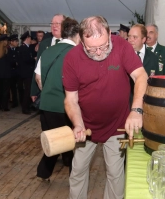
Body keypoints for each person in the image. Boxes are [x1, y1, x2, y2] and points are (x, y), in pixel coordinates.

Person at [63, 16, 148, 198]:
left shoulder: (122, 46)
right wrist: (77, 124)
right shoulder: (72, 58)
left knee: (115, 174)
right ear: (81, 41)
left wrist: (136, 110)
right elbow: (70, 99)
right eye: (92, 49)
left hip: (117, 124)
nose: (99, 52)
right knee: (77, 171)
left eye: (103, 46)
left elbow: (141, 76)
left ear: (110, 34)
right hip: (86, 125)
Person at [34, 17, 79, 182]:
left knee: (54, 141)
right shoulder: (77, 53)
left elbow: (38, 78)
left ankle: (43, 173)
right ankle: (75, 179)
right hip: (67, 106)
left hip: (46, 105)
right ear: (77, 34)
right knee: (75, 144)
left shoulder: (47, 51)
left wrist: (48, 90)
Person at [31, 14, 65, 104]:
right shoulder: (44, 44)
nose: (54, 26)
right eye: (52, 23)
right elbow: (37, 67)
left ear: (65, 26)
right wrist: (34, 90)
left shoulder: (71, 44)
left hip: (64, 92)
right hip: (45, 91)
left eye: (58, 23)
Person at [17, 31, 36, 114]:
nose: (31, 40)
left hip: (28, 72)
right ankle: (25, 108)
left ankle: (28, 106)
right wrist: (33, 59)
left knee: (28, 90)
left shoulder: (27, 47)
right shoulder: (23, 48)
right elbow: (25, 60)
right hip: (26, 73)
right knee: (27, 91)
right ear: (27, 39)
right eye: (30, 38)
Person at [7, 34, 20, 108]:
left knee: (15, 88)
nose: (17, 43)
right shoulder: (7, 49)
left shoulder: (18, 49)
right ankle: (11, 100)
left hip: (17, 72)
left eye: (17, 41)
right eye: (15, 41)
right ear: (11, 42)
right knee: (10, 88)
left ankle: (15, 101)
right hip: (10, 72)